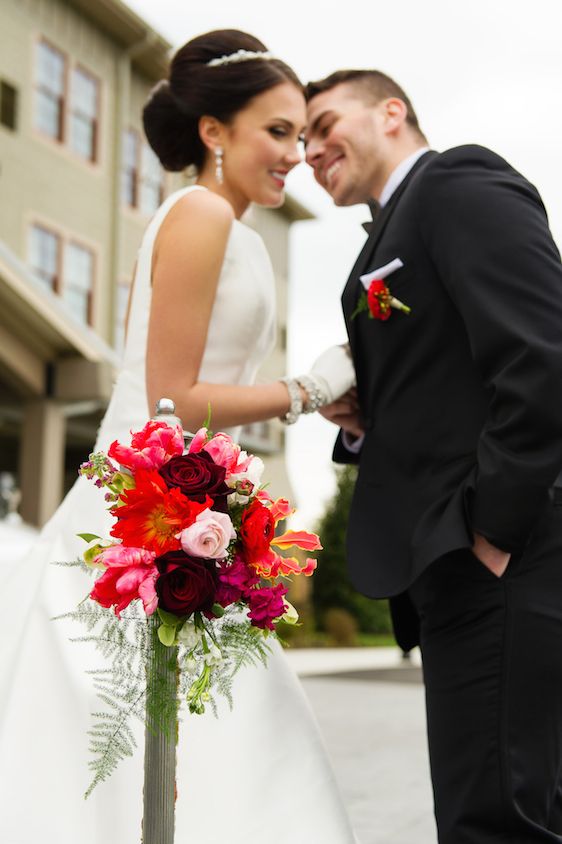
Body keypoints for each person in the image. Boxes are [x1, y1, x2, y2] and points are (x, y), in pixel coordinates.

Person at [0, 32, 357, 844]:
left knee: (199, 713)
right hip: (137, 513)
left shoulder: (240, 231)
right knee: (132, 717)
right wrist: (313, 388)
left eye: (300, 137)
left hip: (189, 506)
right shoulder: (199, 214)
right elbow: (171, 399)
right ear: (214, 133)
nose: (294, 155)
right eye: (277, 132)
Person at [304, 68, 562, 842]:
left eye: (324, 124)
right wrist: (357, 421)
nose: (312, 148)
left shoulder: (457, 183)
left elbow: (545, 357)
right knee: (514, 806)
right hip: (455, 565)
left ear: (392, 113)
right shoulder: (388, 233)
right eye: (303, 137)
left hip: (501, 558)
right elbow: (441, 388)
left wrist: (492, 532)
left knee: (496, 821)